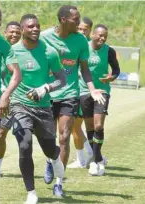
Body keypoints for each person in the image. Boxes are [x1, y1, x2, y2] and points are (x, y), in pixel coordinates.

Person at [40, 5, 105, 183]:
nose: (79, 22)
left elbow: (84, 69)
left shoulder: (81, 41)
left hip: (70, 93)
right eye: (75, 19)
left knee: (65, 136)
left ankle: (59, 182)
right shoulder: (44, 37)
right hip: (48, 94)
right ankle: (50, 160)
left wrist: (92, 89)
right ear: (63, 20)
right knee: (48, 138)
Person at [10, 14, 66, 203]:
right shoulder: (13, 51)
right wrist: (4, 91)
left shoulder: (49, 52)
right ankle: (31, 192)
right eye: (31, 26)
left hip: (42, 108)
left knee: (49, 149)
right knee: (24, 145)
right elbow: (2, 74)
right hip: (19, 105)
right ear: (22, 28)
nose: (35, 29)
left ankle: (55, 158)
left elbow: (62, 79)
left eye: (38, 26)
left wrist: (46, 88)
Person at [79, 24, 120, 176]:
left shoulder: (109, 51)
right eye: (100, 35)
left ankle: (95, 162)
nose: (102, 38)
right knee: (89, 127)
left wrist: (112, 77)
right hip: (84, 90)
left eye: (105, 36)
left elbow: (116, 69)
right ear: (93, 35)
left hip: (102, 91)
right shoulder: (83, 48)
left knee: (98, 125)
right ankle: (98, 159)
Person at [0, 3, 22, 173]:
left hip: (0, 101)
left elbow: (17, 74)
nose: (0, 25)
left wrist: (6, 94)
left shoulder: (4, 46)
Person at [68, 16, 94, 169]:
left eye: (85, 29)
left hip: (84, 92)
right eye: (80, 29)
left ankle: (91, 155)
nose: (82, 31)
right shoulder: (76, 43)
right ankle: (85, 157)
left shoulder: (89, 46)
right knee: (74, 127)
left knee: (75, 126)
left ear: (90, 30)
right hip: (75, 90)